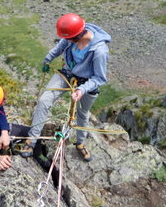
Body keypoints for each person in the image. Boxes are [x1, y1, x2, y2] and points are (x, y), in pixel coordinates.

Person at [20, 13, 111, 162]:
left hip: (87, 82)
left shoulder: (99, 51)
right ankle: (32, 140)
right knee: (44, 101)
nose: (66, 40)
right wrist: (47, 60)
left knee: (82, 113)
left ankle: (80, 143)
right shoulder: (71, 37)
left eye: (68, 38)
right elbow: (59, 47)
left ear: (77, 35)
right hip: (67, 74)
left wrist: (81, 89)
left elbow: (99, 78)